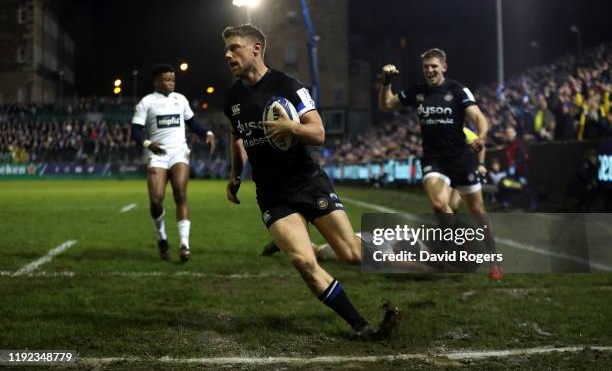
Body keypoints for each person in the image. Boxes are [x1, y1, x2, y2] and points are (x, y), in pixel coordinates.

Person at [222, 24, 397, 338]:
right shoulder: (232, 99)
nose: (228, 55)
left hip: (306, 181)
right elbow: (237, 138)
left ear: (256, 49)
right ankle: (361, 327)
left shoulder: (287, 85)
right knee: (303, 262)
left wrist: (292, 128)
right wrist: (235, 174)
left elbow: (318, 133)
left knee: (352, 255)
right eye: (227, 50)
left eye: (235, 48)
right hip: (272, 193)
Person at [378, 48, 502, 281]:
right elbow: (386, 105)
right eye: (426, 67)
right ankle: (464, 243)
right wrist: (386, 82)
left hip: (460, 158)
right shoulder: (418, 90)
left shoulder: (457, 89)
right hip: (433, 159)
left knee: (477, 211)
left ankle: (494, 258)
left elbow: (479, 118)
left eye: (434, 66)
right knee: (439, 205)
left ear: (444, 67)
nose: (429, 70)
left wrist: (482, 137)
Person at [131, 64, 216, 262]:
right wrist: (148, 144)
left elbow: (193, 123)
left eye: (173, 79)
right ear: (156, 81)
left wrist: (208, 133)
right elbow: (135, 131)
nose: (172, 82)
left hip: (179, 152)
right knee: (156, 200)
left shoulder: (181, 99)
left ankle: (184, 245)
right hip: (158, 155)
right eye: (167, 79)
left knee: (180, 192)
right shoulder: (147, 102)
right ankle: (162, 238)